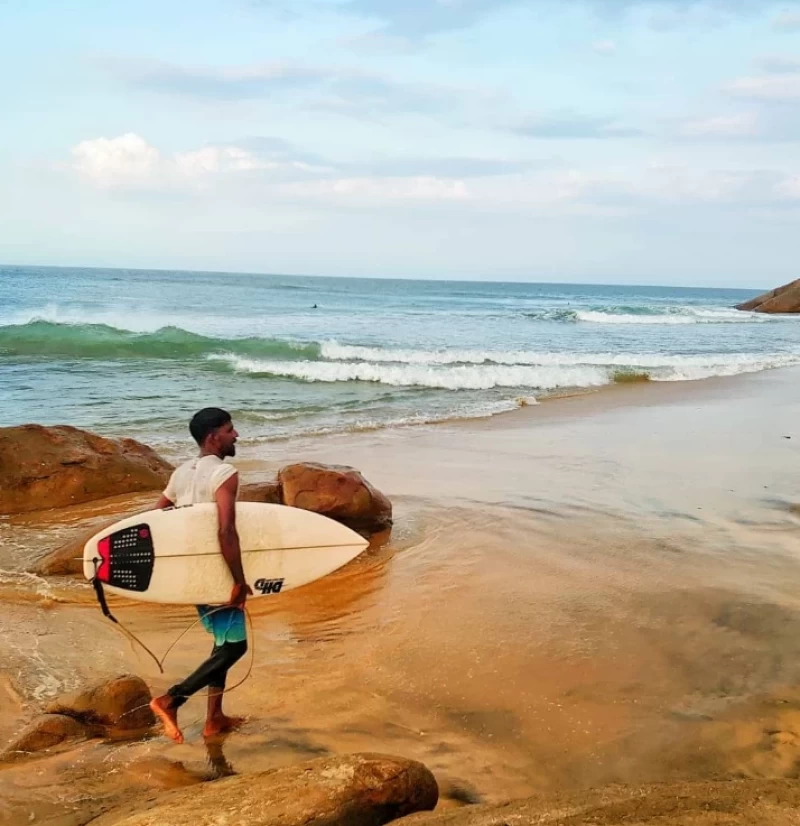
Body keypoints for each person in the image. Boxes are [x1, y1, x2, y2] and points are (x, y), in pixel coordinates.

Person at [149, 407, 252, 743]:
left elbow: (157, 516)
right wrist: (238, 580)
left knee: (222, 643)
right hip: (217, 573)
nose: (236, 435)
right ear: (213, 436)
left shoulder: (180, 473)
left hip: (192, 574)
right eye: (230, 429)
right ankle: (171, 700)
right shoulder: (224, 474)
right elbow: (226, 530)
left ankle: (215, 718)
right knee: (235, 648)